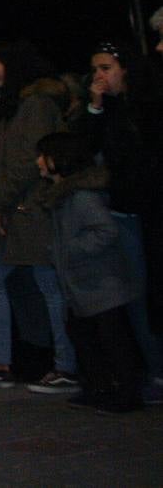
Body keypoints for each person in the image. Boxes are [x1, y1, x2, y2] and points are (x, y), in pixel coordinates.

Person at [0, 40, 76, 393]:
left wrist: (0, 202)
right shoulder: (15, 108)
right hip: (16, 214)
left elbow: (30, 162)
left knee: (48, 285)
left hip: (35, 211)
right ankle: (6, 363)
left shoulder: (37, 106)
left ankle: (65, 366)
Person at [79, 40, 163, 399]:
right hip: (125, 212)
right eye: (95, 70)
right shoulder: (110, 110)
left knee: (147, 296)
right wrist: (95, 107)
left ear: (124, 68)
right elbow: (85, 148)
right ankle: (152, 371)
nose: (99, 76)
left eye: (106, 68)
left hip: (149, 212)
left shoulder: (147, 105)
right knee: (135, 297)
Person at [38, 131, 144, 412]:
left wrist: (69, 250)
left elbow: (106, 231)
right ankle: (100, 387)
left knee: (112, 340)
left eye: (42, 156)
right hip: (83, 283)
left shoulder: (82, 196)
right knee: (85, 337)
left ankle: (126, 393)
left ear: (56, 159)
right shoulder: (63, 196)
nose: (38, 162)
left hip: (100, 283)